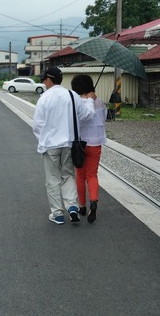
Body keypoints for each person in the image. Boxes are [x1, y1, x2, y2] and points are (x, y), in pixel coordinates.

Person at [32, 67, 96, 225]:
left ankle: (57, 214)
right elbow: (87, 115)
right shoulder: (72, 95)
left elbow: (37, 125)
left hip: (50, 145)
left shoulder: (44, 98)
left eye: (44, 79)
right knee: (68, 175)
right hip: (69, 144)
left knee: (53, 179)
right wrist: (89, 100)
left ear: (48, 79)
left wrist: (43, 141)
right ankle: (72, 207)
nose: (43, 82)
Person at [70, 74, 107, 223]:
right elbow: (103, 119)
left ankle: (82, 206)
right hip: (95, 143)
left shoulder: (75, 102)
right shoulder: (99, 102)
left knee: (80, 175)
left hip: (80, 144)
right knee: (92, 175)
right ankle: (93, 201)